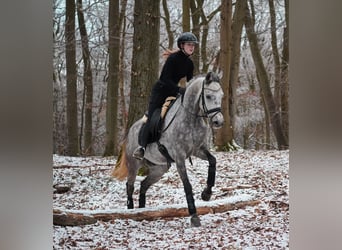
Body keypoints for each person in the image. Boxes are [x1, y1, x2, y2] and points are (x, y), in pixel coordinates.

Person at [133, 32, 199, 160]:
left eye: (193, 45)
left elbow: (190, 82)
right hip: (160, 92)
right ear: (182, 45)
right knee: (153, 117)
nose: (192, 47)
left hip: (174, 92)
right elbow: (164, 79)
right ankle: (142, 148)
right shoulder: (173, 59)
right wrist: (179, 89)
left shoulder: (190, 64)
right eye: (189, 45)